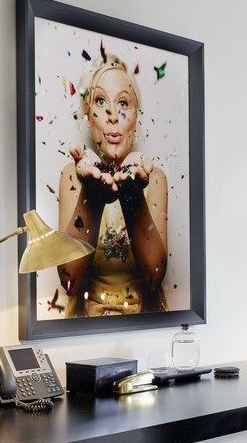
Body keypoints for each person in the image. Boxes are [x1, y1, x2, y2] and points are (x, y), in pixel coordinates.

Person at [56, 54, 168, 316]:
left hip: (144, 328)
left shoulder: (155, 178)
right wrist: (91, 195)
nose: (113, 115)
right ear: (88, 117)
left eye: (123, 103)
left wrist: (132, 196)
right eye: (100, 101)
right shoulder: (72, 177)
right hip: (87, 329)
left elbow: (153, 278)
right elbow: (69, 281)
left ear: (135, 120)